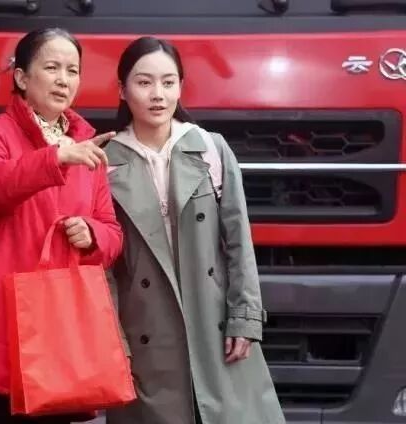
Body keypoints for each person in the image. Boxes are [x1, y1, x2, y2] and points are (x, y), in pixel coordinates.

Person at [0, 28, 123, 424]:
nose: (63, 80)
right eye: (51, 68)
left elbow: (112, 232)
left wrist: (92, 235)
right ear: (21, 77)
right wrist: (56, 158)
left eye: (72, 70)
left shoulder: (86, 146)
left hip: (55, 336)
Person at [103, 36, 285, 424]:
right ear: (122, 89)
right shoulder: (104, 162)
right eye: (144, 82)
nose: (158, 94)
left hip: (214, 325)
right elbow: (103, 268)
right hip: (144, 331)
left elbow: (238, 241)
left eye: (168, 82)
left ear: (181, 87)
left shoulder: (210, 149)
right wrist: (113, 341)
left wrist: (244, 318)